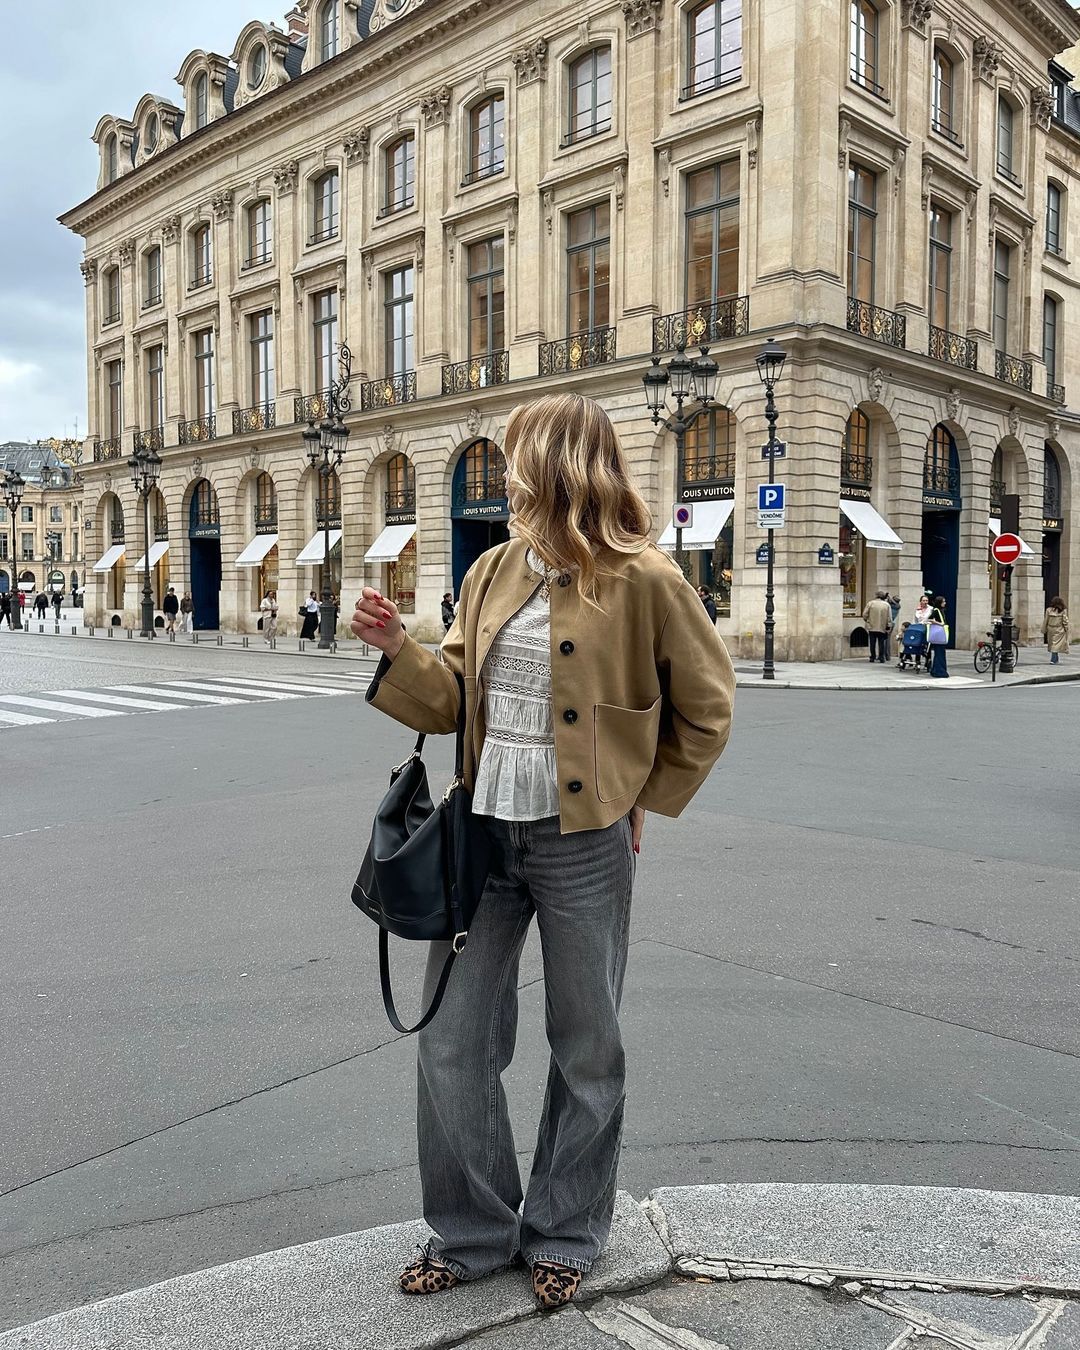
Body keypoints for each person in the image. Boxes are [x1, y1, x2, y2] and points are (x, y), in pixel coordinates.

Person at [352, 393, 736, 1311]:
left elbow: (708, 707)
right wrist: (397, 648)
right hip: (481, 833)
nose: (506, 470)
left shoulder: (645, 577)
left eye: (519, 454)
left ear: (558, 464)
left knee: (587, 1043)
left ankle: (566, 1229)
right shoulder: (490, 569)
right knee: (453, 1041)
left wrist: (637, 794)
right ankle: (475, 1231)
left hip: (583, 843)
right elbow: (451, 699)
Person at [862, 590, 892, 663]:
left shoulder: (871, 603)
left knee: (872, 643)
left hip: (872, 626)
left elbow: (864, 614)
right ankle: (881, 657)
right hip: (882, 626)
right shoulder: (886, 605)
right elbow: (889, 617)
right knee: (881, 643)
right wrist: (888, 625)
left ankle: (872, 657)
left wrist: (867, 620)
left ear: (876, 596)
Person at [1043, 595, 1070, 664]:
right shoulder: (1063, 610)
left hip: (1050, 628)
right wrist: (1066, 628)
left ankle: (1055, 659)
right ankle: (1054, 660)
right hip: (1059, 629)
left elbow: (1046, 620)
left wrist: (1044, 629)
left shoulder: (1048, 610)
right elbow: (1065, 620)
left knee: (1053, 644)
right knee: (1055, 644)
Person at [928, 595, 949, 678]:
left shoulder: (941, 610)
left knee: (940, 653)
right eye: (943, 601)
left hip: (939, 635)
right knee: (939, 653)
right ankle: (939, 671)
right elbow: (930, 619)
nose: (945, 603)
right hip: (939, 634)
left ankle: (936, 670)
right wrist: (940, 624)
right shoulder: (936, 610)